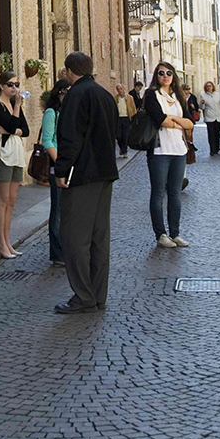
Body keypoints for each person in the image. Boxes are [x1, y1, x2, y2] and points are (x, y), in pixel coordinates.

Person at [53, 52, 118, 314]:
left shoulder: (75, 96)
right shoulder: (105, 95)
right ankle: (98, 294)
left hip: (82, 176)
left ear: (70, 71)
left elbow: (70, 138)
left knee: (74, 238)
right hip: (105, 173)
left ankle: (83, 295)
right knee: (99, 238)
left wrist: (61, 170)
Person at [143, 62, 195, 249]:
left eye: (169, 73)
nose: (165, 76)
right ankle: (161, 234)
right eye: (161, 73)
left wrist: (174, 121)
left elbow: (190, 122)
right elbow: (160, 120)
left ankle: (175, 233)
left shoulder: (178, 96)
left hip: (179, 150)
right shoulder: (151, 95)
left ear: (174, 76)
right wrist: (178, 122)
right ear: (156, 76)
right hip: (159, 151)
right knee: (158, 193)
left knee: (175, 194)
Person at [0, 71, 30, 259]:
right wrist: (18, 109)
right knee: (2, 199)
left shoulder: (13, 104)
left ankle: (7, 240)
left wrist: (14, 130)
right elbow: (13, 125)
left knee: (12, 200)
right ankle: (1, 243)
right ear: (2, 86)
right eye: (11, 85)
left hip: (16, 153)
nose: (15, 88)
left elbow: (25, 130)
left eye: (17, 84)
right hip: (2, 155)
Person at [41, 79, 69, 267]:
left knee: (68, 211)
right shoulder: (51, 113)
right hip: (58, 168)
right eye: (65, 92)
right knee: (58, 210)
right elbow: (47, 141)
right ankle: (57, 253)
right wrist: (61, 164)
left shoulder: (69, 113)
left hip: (71, 168)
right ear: (58, 93)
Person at [199, 81, 220, 155]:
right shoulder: (203, 95)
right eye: (207, 86)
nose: (209, 87)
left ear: (213, 87)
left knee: (217, 133)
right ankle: (212, 149)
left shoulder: (218, 95)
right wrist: (202, 103)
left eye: (210, 86)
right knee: (211, 134)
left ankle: (217, 148)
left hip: (218, 116)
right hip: (209, 117)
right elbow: (202, 108)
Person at [114, 84, 136, 158]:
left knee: (125, 136)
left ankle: (125, 151)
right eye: (118, 89)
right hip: (118, 119)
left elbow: (133, 108)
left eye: (121, 89)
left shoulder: (130, 98)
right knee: (118, 136)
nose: (120, 91)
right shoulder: (115, 98)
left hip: (126, 118)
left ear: (124, 89)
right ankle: (121, 148)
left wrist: (133, 118)